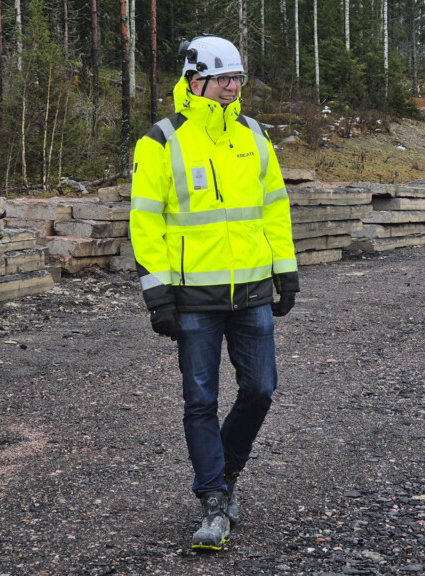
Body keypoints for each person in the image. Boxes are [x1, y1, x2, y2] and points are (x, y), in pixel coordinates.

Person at [129, 36, 298, 551]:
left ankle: (224, 474)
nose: (232, 88)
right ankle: (214, 499)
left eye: (237, 79)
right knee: (200, 399)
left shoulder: (254, 135)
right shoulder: (160, 141)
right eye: (223, 79)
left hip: (250, 293)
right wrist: (156, 295)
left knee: (261, 390)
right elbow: (145, 223)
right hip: (192, 298)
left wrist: (285, 272)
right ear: (195, 79)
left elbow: (275, 208)